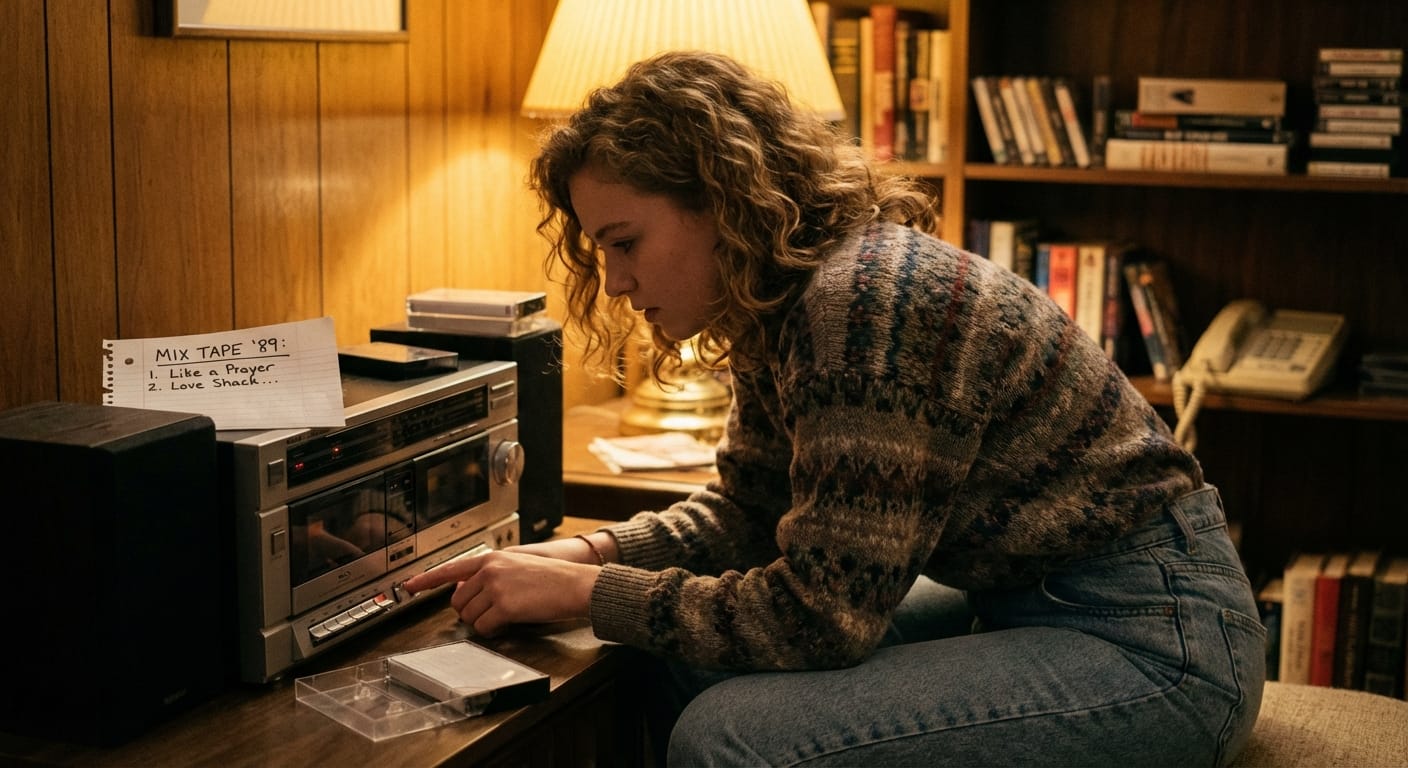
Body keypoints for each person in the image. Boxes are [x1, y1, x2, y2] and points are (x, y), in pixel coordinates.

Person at [402, 50, 1265, 766]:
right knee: (669, 663)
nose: (618, 283)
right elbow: (750, 510)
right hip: (1023, 602)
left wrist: (591, 591)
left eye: (625, 243)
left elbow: (821, 618)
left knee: (728, 737)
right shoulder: (781, 306)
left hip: (1157, 641)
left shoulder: (869, 305)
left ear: (723, 199)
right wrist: (590, 550)